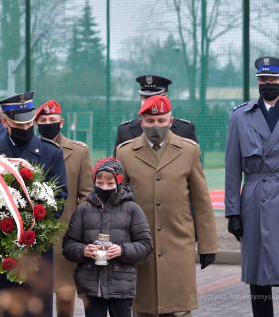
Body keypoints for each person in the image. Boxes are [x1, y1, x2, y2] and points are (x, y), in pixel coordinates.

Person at [116, 95, 217, 317]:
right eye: (150, 121)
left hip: (178, 244)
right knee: (143, 310)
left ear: (171, 121)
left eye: (161, 121)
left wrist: (208, 245)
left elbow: (201, 201)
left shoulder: (189, 150)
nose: (156, 126)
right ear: (141, 121)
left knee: (179, 310)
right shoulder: (125, 152)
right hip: (141, 248)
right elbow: (118, 202)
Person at [0, 91, 68, 317]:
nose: (25, 128)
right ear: (5, 121)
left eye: (28, 123)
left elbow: (61, 196)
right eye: (18, 123)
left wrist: (32, 226)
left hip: (34, 250)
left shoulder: (50, 152)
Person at [63, 157, 153, 317]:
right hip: (91, 285)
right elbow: (69, 245)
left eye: (110, 184)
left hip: (122, 286)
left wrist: (122, 250)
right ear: (94, 182)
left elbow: (146, 245)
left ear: (118, 183)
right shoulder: (83, 209)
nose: (105, 187)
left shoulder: (132, 209)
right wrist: (84, 250)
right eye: (100, 183)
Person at [225, 56, 279, 317]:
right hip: (254, 201)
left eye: (272, 79)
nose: (266, 84)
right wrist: (232, 212)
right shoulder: (240, 117)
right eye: (262, 80)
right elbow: (232, 168)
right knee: (258, 271)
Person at [35, 99, 93, 317]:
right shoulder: (30, 149)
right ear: (35, 123)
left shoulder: (78, 152)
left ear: (62, 122)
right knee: (36, 295)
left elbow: (86, 194)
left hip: (66, 235)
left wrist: (82, 231)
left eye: (53, 120)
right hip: (35, 234)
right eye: (43, 120)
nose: (48, 123)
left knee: (65, 296)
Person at [114, 75, 197, 154]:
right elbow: (118, 166)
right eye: (146, 97)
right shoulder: (125, 131)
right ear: (140, 98)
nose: (150, 102)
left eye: (155, 97)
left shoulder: (185, 130)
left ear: (166, 98)